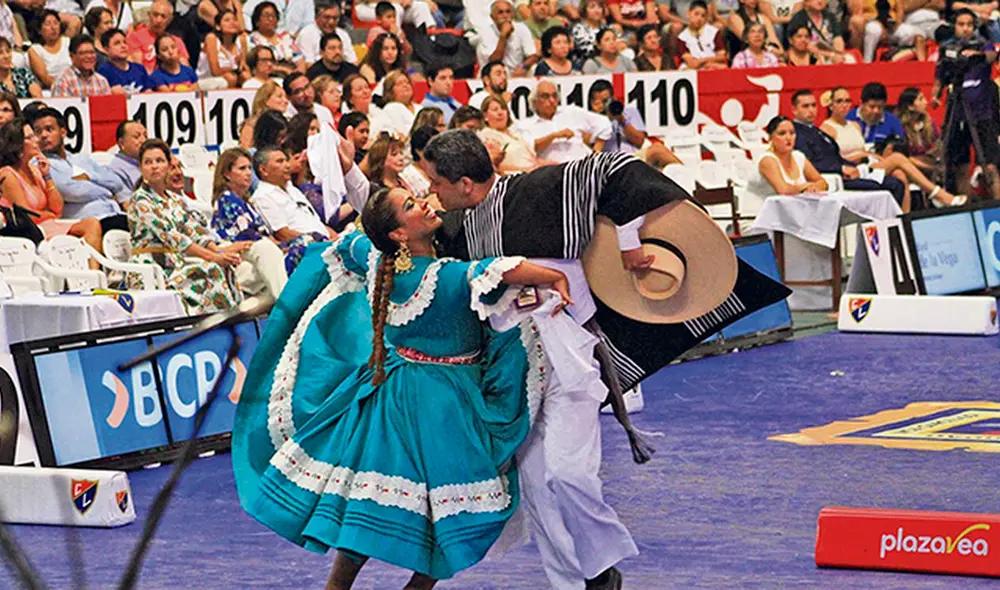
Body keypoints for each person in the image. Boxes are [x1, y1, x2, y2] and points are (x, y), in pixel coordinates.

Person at [407, 128, 790, 590]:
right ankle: (576, 584)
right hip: (510, 377)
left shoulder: (542, 187)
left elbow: (619, 168)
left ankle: (600, 567)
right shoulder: (456, 227)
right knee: (537, 488)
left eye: (436, 183)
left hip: (569, 358)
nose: (432, 191)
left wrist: (628, 241)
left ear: (464, 183)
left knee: (569, 476)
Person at [232, 185, 574, 589]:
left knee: (364, 494)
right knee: (444, 511)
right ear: (398, 234)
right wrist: (555, 275)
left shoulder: (380, 264)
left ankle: (336, 589)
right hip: (444, 407)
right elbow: (499, 271)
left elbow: (347, 246)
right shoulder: (445, 277)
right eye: (411, 206)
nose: (425, 204)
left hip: (388, 397)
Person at [127, 138, 245, 313]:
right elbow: (174, 238)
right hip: (151, 269)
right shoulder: (140, 200)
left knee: (224, 266)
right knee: (212, 268)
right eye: (148, 162)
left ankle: (233, 320)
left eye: (159, 161)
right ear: (141, 168)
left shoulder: (175, 199)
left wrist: (220, 252)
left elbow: (194, 231)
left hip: (175, 263)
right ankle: (213, 324)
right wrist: (212, 257)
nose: (154, 166)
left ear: (167, 165)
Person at [823, 86, 965, 207]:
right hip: (849, 171)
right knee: (898, 159)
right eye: (839, 101)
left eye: (847, 101)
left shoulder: (854, 126)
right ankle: (939, 194)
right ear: (831, 105)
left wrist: (872, 155)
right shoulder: (827, 128)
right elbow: (832, 159)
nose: (844, 105)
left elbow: (865, 151)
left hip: (868, 165)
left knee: (900, 174)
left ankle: (903, 219)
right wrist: (861, 155)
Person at [789, 89, 910, 209]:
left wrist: (854, 167)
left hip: (849, 170)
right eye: (805, 106)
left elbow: (836, 157)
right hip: (832, 179)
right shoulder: (796, 133)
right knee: (892, 184)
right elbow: (809, 163)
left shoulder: (816, 131)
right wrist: (842, 168)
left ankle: (891, 222)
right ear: (794, 110)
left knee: (897, 180)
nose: (811, 110)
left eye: (813, 105)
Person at [0, 119, 103, 248]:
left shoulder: (35, 169)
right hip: (31, 232)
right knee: (89, 227)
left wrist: (47, 176)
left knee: (92, 224)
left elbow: (58, 209)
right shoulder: (7, 174)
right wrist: (49, 215)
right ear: (17, 144)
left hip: (47, 225)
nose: (36, 140)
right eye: (30, 137)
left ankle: (91, 268)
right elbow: (26, 215)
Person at [932, 8, 1000, 198]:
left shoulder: (982, 45)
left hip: (983, 115)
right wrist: (936, 96)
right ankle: (967, 207)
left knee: (990, 167)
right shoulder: (947, 48)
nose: (966, 29)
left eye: (969, 25)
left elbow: (991, 56)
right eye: (961, 24)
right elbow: (939, 77)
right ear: (955, 26)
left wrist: (975, 55)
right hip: (958, 113)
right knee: (960, 168)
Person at [30, 106, 130, 232]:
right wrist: (107, 191)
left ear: (63, 132)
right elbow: (73, 191)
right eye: (38, 132)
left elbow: (117, 182)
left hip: (114, 214)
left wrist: (88, 176)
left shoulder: (81, 158)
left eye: (49, 129)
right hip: (89, 222)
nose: (43, 135)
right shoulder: (41, 163)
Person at [210, 147, 293, 296]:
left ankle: (286, 307)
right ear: (226, 174)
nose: (248, 173)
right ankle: (290, 307)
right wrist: (278, 245)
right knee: (270, 254)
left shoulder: (247, 202)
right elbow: (245, 236)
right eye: (242, 169)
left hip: (252, 257)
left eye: (249, 168)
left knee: (272, 269)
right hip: (233, 255)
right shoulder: (227, 200)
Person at [588, 79, 680, 169]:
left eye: (606, 100)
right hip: (610, 163)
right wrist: (598, 117)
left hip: (634, 158)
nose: (605, 105)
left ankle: (689, 177)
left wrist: (621, 120)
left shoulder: (629, 112)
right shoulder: (590, 119)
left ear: (613, 98)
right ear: (592, 103)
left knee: (658, 150)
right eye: (601, 102)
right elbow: (589, 146)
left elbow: (639, 141)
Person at [250, 146, 337, 241]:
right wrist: (319, 240)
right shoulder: (262, 197)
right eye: (280, 161)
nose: (287, 165)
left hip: (325, 241)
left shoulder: (292, 189)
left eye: (286, 160)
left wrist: (333, 236)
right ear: (264, 170)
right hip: (306, 248)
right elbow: (282, 234)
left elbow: (315, 221)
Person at [516, 79, 612, 163]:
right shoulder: (525, 125)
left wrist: (597, 150)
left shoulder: (572, 112)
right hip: (552, 174)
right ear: (534, 101)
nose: (552, 100)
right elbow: (528, 149)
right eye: (545, 96)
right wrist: (554, 136)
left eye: (555, 96)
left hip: (582, 167)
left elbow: (604, 123)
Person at [479, 95, 553, 174]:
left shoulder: (515, 134)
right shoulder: (487, 136)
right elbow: (495, 166)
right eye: (495, 110)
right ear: (485, 116)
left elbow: (532, 159)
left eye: (503, 108)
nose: (500, 112)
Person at [757, 115, 828, 194]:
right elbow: (783, 190)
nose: (788, 137)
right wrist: (805, 187)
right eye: (782, 133)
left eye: (792, 133)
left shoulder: (798, 156)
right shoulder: (767, 160)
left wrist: (814, 187)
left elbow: (822, 182)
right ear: (770, 137)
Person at [471, 0, 538, 74]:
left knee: (534, 68)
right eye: (500, 12)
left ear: (513, 15)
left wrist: (522, 66)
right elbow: (494, 62)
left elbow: (533, 56)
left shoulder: (521, 28)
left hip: (517, 71)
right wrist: (503, 37)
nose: (505, 16)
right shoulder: (485, 32)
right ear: (492, 17)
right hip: (493, 73)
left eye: (508, 12)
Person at [127, 0, 190, 74]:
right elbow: (138, 68)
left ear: (170, 19)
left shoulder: (176, 41)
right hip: (148, 81)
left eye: (163, 16)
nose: (158, 20)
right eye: (155, 15)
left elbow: (186, 69)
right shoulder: (135, 37)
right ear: (149, 15)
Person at [248, 1, 306, 75]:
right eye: (266, 16)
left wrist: (298, 75)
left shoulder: (285, 37)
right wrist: (284, 70)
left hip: (291, 76)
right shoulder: (252, 40)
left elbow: (300, 61)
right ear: (257, 21)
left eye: (274, 16)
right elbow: (258, 65)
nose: (271, 19)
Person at [896, 86, 941, 177]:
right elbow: (904, 158)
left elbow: (938, 144)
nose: (926, 102)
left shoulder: (928, 123)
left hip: (928, 162)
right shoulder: (899, 126)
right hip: (909, 167)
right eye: (920, 99)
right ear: (910, 106)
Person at [785, 0, 848, 64]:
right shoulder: (798, 19)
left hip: (832, 55)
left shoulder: (830, 16)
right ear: (806, 1)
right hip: (812, 58)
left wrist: (838, 54)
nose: (820, 1)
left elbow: (838, 38)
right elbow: (805, 46)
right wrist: (831, 55)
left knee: (849, 59)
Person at [198, 9, 249, 87]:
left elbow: (245, 68)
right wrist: (234, 69)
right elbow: (215, 71)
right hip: (207, 79)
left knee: (246, 76)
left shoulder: (241, 39)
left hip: (232, 76)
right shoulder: (211, 38)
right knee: (231, 78)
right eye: (227, 20)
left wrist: (241, 64)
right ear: (218, 26)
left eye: (235, 19)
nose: (232, 23)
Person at [296, 0, 356, 65]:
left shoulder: (343, 34)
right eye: (327, 17)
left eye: (335, 18)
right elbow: (309, 65)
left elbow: (353, 61)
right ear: (316, 18)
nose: (331, 22)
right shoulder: (307, 34)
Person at [677, 0, 727, 69]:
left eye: (703, 16)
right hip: (694, 69)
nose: (699, 18)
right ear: (688, 14)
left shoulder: (713, 32)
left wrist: (703, 60)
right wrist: (704, 64)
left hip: (712, 65)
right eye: (696, 14)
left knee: (722, 67)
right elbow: (692, 64)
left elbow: (722, 57)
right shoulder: (682, 37)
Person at [97, 28, 151, 93]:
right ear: (106, 49)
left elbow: (149, 92)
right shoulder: (104, 71)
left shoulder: (140, 68)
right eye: (117, 43)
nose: (123, 46)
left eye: (124, 42)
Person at [27, 10, 72, 88]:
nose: (53, 27)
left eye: (56, 23)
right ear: (39, 30)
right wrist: (65, 88)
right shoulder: (35, 50)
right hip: (53, 89)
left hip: (74, 84)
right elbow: (45, 78)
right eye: (47, 24)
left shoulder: (68, 42)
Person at [108, 119, 146, 189]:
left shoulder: (149, 163)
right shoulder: (116, 170)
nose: (143, 140)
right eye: (136, 137)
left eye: (145, 136)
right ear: (122, 143)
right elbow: (125, 199)